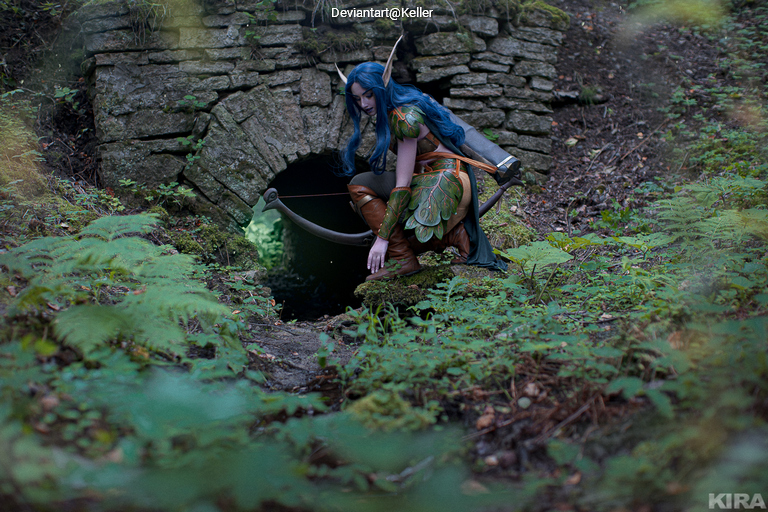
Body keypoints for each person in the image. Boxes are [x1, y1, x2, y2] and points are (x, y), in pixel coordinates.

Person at [337, 36, 506, 281]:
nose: (363, 104)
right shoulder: (404, 103)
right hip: (450, 179)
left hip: (445, 185)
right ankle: (457, 235)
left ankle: (403, 258)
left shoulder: (403, 117)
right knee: (397, 229)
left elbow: (403, 185)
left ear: (382, 88)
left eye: (369, 95)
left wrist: (382, 239)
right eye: (357, 98)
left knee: (360, 184)